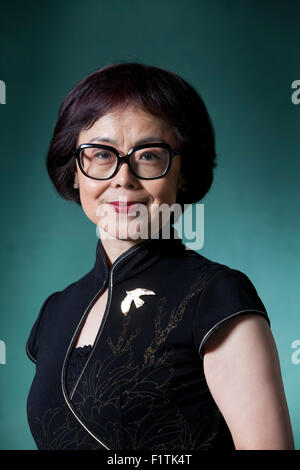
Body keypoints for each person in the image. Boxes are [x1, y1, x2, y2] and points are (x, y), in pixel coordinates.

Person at [26, 62, 294, 451]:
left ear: (183, 172)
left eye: (149, 155)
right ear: (74, 171)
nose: (123, 178)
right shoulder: (54, 312)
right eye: (101, 154)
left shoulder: (216, 297)